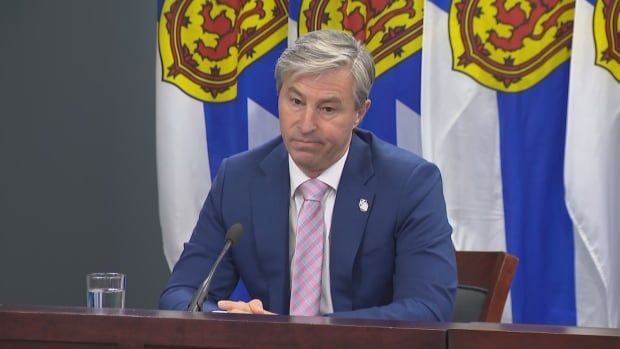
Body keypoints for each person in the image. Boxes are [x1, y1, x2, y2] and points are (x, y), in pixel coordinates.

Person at [159, 29, 457, 321]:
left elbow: (427, 309)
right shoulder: (239, 179)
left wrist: (311, 334)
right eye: (296, 102)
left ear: (359, 113)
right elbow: (182, 293)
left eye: (327, 108)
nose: (306, 123)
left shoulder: (408, 184)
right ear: (279, 97)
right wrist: (234, 322)